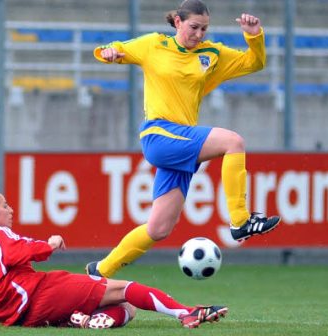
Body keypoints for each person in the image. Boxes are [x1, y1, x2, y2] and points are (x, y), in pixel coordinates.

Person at [86, 0, 281, 279]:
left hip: (181, 142)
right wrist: (110, 53)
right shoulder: (154, 45)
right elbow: (114, 49)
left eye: (204, 29)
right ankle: (240, 221)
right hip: (159, 134)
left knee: (159, 228)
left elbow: (255, 62)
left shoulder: (211, 54)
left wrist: (254, 36)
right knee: (233, 142)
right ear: (177, 22)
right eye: (194, 27)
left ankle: (100, 270)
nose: (199, 34)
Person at [0, 187, 228, 329]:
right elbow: (21, 251)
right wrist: (49, 244)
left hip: (23, 317)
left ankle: (82, 321)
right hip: (39, 294)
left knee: (126, 311)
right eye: (4, 205)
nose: (10, 209)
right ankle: (186, 313)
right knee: (125, 289)